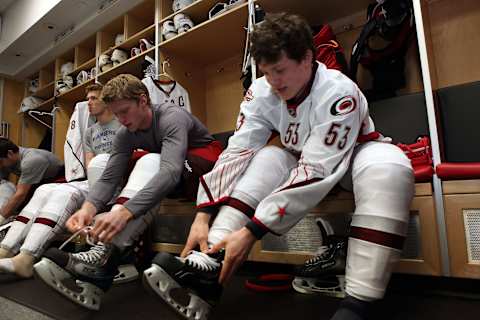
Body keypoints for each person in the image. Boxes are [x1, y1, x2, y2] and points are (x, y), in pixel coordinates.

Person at [144, 13, 414, 320]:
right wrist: (204, 212)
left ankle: (357, 305)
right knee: (268, 157)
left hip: (356, 156)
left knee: (389, 167)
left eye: (280, 70)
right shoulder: (262, 90)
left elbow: (317, 169)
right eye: (266, 72)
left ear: (308, 59)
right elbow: (237, 151)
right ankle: (209, 263)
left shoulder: (339, 92)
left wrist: (252, 231)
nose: (273, 81)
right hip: (301, 158)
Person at [34, 74, 223, 311]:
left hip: (204, 168)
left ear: (143, 101)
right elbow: (111, 176)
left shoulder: (171, 117)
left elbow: (171, 171)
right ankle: (105, 257)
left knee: (152, 161)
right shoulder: (126, 133)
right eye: (116, 114)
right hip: (170, 166)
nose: (121, 120)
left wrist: (125, 212)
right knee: (104, 163)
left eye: (124, 111)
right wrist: (88, 208)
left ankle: (105, 256)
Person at [0, 83, 121, 278]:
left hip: (116, 183)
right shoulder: (90, 132)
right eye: (87, 98)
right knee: (45, 189)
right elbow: (90, 165)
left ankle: (27, 258)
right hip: (94, 181)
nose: (88, 102)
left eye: (93, 98)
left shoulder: (123, 124)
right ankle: (7, 250)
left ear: (107, 101)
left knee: (66, 192)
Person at [0, 137, 63, 224]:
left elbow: (20, 194)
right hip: (36, 181)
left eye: (1, 162)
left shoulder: (31, 160)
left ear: (10, 153)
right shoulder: (8, 157)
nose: (0, 165)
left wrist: (1, 218)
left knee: (28, 212)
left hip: (57, 181)